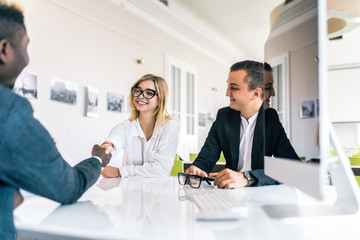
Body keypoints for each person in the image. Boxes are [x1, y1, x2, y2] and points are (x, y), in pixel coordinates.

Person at [0, 3, 111, 239]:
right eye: (25, 47)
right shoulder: (9, 111)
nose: (27, 58)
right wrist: (97, 160)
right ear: (3, 49)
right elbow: (67, 187)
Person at [185, 60, 299, 189]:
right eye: (228, 86)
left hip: (260, 194)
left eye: (233, 87)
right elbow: (207, 156)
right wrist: (197, 170)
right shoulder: (223, 116)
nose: (227, 93)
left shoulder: (270, 119)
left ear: (256, 93)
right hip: (228, 192)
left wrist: (248, 177)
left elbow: (293, 168)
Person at [100, 74, 178, 178]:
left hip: (158, 191)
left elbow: (161, 169)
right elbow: (115, 139)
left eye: (149, 93)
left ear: (160, 100)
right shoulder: (125, 126)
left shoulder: (169, 125)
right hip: (131, 192)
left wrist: (120, 172)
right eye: (138, 91)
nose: (141, 96)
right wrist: (108, 145)